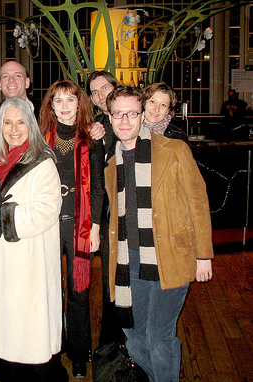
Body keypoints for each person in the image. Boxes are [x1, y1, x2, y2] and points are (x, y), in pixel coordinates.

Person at [104, 85, 213, 382]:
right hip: (131, 261)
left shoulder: (174, 149)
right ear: (110, 117)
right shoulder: (112, 165)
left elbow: (198, 202)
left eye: (131, 113)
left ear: (141, 117)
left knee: (159, 335)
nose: (124, 120)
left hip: (171, 256)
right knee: (132, 333)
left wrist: (204, 255)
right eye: (118, 114)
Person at [0, 97, 68, 382]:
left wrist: (2, 216)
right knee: (4, 320)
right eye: (7, 122)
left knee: (28, 323)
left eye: (21, 122)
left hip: (28, 258)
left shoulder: (42, 162)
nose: (14, 129)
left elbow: (47, 210)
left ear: (32, 125)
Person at [39, 79, 105, 378]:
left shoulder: (92, 137)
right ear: (50, 106)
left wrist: (95, 228)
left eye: (71, 100)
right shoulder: (40, 139)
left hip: (80, 225)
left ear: (80, 103)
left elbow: (99, 187)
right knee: (48, 290)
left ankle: (79, 353)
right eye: (59, 101)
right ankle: (50, 348)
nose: (65, 106)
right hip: (47, 225)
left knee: (78, 292)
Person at [86, 71, 126, 349]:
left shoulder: (131, 117)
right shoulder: (97, 124)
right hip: (107, 210)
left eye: (105, 88)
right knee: (111, 278)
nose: (101, 95)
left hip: (133, 208)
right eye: (95, 92)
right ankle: (111, 344)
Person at [0, 60, 40, 129]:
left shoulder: (45, 112)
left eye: (17, 75)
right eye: (5, 76)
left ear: (27, 83)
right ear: (0, 85)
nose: (11, 79)